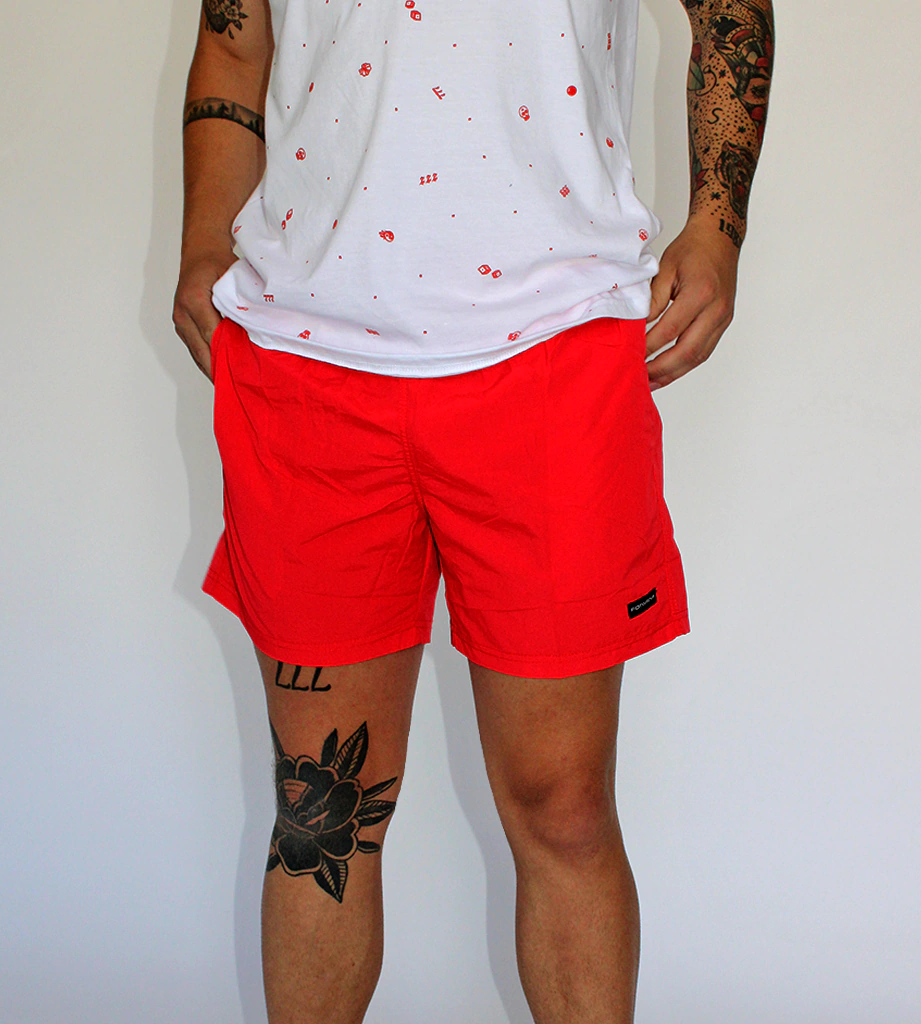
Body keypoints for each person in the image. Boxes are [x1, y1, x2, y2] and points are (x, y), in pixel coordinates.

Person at [172, 0, 773, 1020]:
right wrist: (200, 239)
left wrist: (718, 227)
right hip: (309, 362)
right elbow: (234, 38)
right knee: (321, 815)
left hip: (553, 347)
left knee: (562, 807)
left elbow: (730, 11)